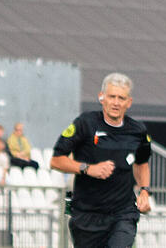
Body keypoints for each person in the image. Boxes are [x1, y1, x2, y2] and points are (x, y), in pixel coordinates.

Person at [50, 73, 152, 248]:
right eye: (112, 96)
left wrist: (144, 191)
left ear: (129, 102)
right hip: (87, 215)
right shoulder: (85, 123)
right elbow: (56, 161)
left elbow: (141, 164)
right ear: (101, 97)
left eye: (121, 98)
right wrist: (87, 168)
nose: (116, 102)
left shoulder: (138, 131)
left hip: (123, 213)